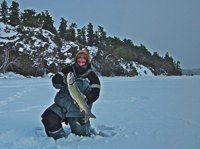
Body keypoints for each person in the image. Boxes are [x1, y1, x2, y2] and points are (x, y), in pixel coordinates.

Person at [41, 50, 101, 140]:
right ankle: (59, 139)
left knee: (82, 137)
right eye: (79, 62)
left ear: (87, 62)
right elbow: (55, 80)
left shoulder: (92, 76)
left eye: (83, 62)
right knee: (49, 118)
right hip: (62, 106)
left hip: (78, 110)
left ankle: (82, 127)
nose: (80, 64)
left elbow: (95, 93)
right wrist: (63, 80)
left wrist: (87, 99)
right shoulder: (68, 70)